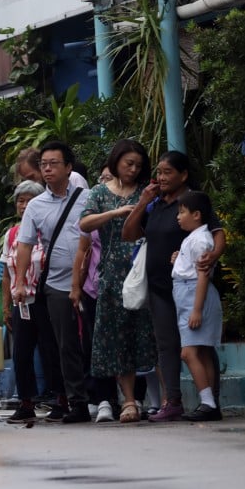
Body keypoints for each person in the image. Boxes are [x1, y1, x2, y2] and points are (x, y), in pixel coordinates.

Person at [122, 150, 226, 422]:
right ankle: (173, 401)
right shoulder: (155, 204)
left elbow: (217, 233)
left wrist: (213, 255)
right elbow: (129, 233)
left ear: (184, 175)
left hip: (191, 287)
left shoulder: (193, 201)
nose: (161, 177)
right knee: (166, 345)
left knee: (200, 345)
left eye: (168, 172)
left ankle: (211, 401)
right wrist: (143, 202)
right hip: (160, 287)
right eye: (158, 172)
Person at [79, 139, 158, 424]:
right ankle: (128, 400)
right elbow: (84, 224)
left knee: (145, 335)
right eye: (129, 164)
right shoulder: (99, 192)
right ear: (116, 161)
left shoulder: (146, 191)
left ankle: (153, 399)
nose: (133, 169)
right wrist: (115, 212)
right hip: (112, 274)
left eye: (138, 165)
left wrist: (143, 203)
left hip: (143, 269)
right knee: (117, 337)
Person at [14, 140, 91, 423]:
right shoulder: (35, 206)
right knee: (66, 344)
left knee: (94, 340)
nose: (47, 169)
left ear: (69, 167)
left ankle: (109, 399)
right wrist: (20, 283)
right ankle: (77, 403)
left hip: (91, 280)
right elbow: (24, 245)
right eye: (43, 164)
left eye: (53, 163)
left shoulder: (87, 197)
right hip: (58, 283)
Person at [0, 179, 60, 424]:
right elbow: (6, 273)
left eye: (30, 201)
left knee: (51, 350)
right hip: (20, 301)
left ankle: (61, 400)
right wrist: (6, 306)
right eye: (20, 201)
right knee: (21, 354)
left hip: (45, 298)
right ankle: (26, 403)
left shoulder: (48, 231)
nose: (24, 206)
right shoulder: (12, 234)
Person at [171, 190, 224, 421]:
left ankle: (208, 402)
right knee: (202, 352)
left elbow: (202, 275)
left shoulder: (202, 239)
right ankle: (210, 404)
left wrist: (196, 309)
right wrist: (178, 260)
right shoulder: (193, 237)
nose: (178, 217)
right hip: (187, 293)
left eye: (182, 212)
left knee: (188, 353)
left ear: (197, 214)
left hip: (195, 294)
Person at [73, 163, 119, 423]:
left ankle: (131, 399)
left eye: (109, 177)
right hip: (94, 287)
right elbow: (82, 249)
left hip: (124, 285)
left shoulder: (132, 203)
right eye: (101, 177)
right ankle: (102, 399)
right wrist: (76, 286)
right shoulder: (94, 206)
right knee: (95, 344)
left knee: (122, 343)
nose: (104, 182)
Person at [16, 146, 89, 192]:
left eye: (31, 177)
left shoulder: (73, 179)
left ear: (40, 167)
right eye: (25, 180)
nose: (29, 183)